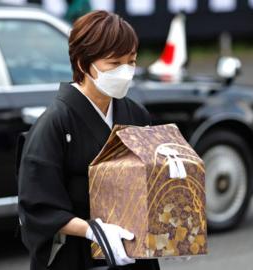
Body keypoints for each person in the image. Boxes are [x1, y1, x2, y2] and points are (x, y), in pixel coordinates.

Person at [17, 11, 160, 270]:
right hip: (77, 256)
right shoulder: (54, 123)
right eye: (114, 63)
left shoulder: (135, 113)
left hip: (134, 249)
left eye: (131, 61)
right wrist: (93, 231)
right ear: (84, 64)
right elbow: (38, 206)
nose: (125, 72)